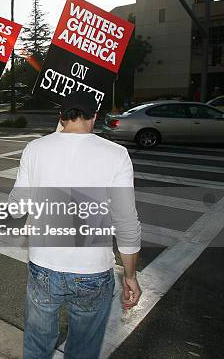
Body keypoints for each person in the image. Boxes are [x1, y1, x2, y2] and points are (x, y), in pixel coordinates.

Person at [9, 91, 142, 359]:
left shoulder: (35, 149)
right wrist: (130, 276)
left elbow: (16, 208)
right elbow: (126, 222)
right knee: (83, 351)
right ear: (95, 116)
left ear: (61, 116)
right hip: (93, 270)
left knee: (36, 346)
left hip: (43, 266)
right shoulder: (116, 154)